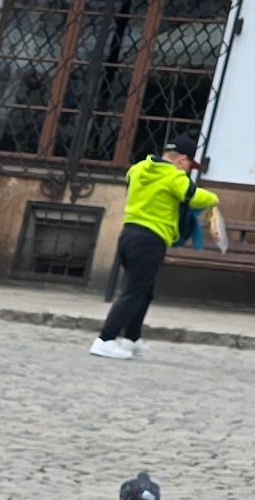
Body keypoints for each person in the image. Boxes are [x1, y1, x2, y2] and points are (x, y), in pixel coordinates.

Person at [91, 132, 217, 359]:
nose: (189, 170)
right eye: (189, 165)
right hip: (151, 239)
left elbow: (131, 180)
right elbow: (196, 197)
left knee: (144, 291)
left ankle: (132, 338)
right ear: (181, 160)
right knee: (132, 292)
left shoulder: (138, 168)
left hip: (129, 234)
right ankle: (105, 339)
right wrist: (215, 199)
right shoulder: (175, 177)